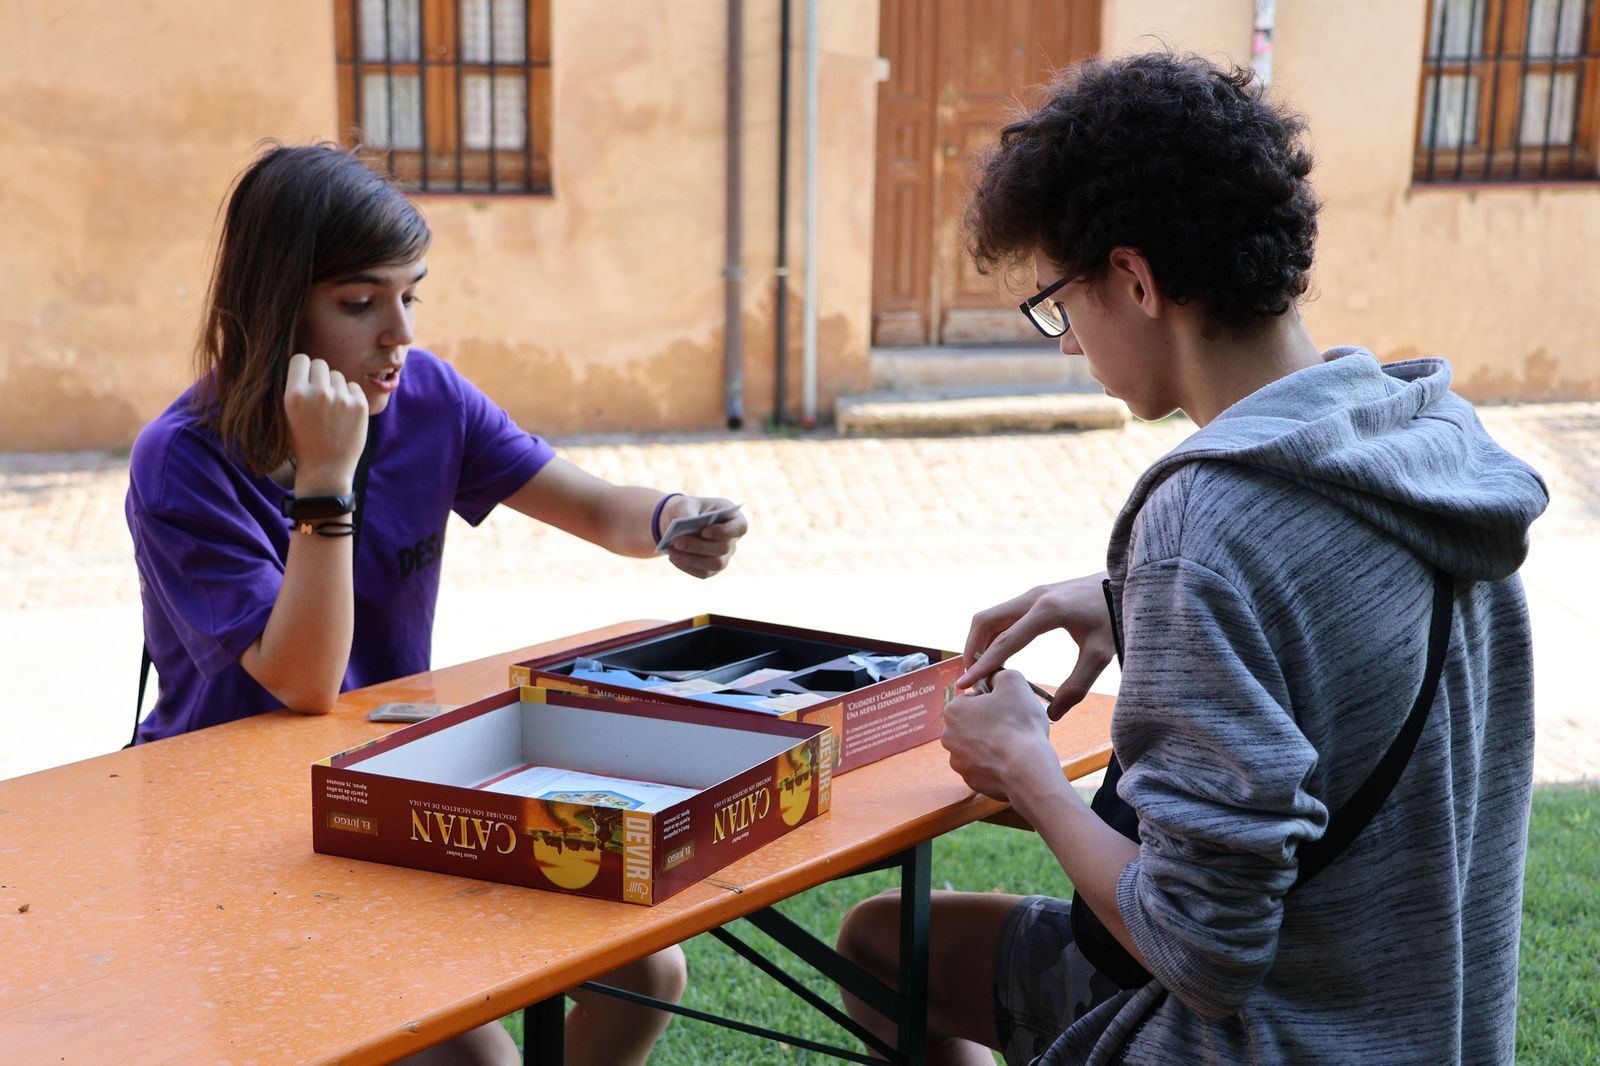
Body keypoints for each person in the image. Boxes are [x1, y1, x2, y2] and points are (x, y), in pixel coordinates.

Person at [836, 52, 1548, 1065]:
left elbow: (1199, 951)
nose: (1067, 345)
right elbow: (1339, 635)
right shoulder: (1426, 444)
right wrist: (1122, 603)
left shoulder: (1203, 521)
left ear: (1131, 278)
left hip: (1274, 1036)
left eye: (1057, 302)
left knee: (884, 951)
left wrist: (1026, 772)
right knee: (886, 943)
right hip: (1438, 1023)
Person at [125, 143, 745, 1065]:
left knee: (652, 975)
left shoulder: (427, 395)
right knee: (478, 1058)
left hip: (391, 783)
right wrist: (327, 480)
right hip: (234, 827)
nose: (397, 335)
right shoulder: (182, 459)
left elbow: (588, 503)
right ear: (273, 304)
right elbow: (301, 682)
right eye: (358, 302)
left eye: (411, 295)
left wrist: (673, 519)